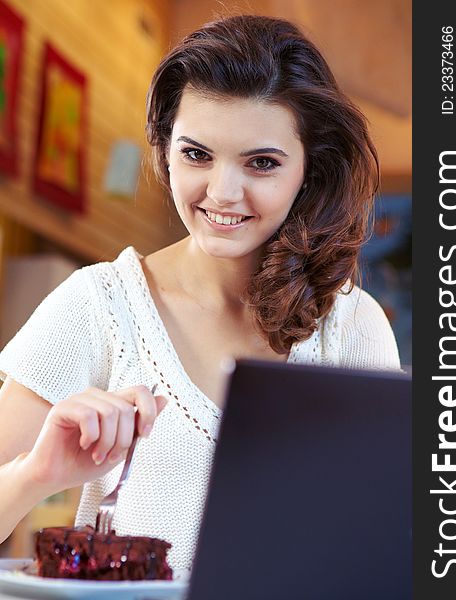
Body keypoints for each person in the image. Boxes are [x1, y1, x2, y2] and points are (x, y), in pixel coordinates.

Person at [0, 15, 400, 570]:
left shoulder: (350, 327)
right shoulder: (96, 306)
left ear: (310, 169)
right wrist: (36, 475)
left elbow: (379, 548)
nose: (222, 192)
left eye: (262, 163)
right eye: (196, 154)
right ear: (165, 150)